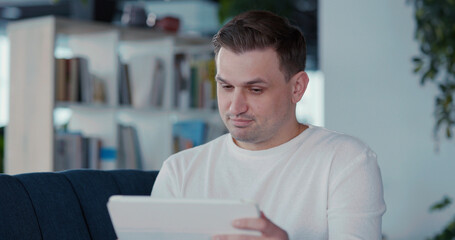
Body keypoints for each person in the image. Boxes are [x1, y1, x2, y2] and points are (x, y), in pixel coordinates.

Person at [151, 10, 386, 240]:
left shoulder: (345, 161)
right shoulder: (179, 172)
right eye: (226, 87)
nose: (235, 107)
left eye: (255, 90)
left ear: (297, 88)